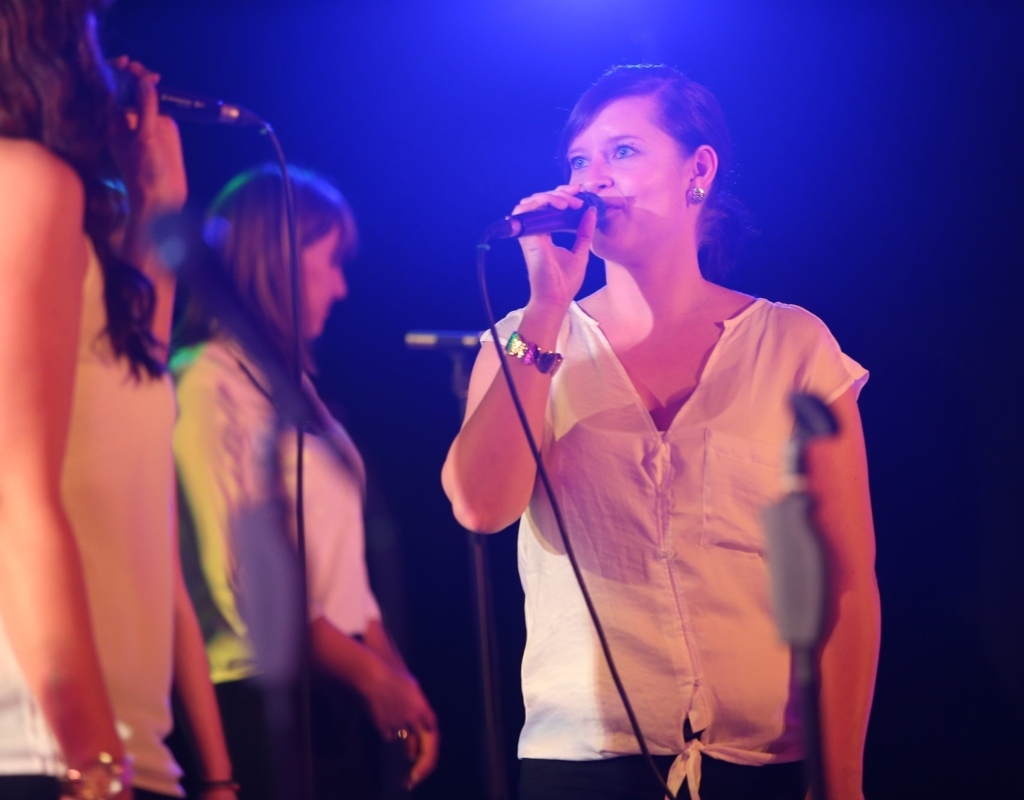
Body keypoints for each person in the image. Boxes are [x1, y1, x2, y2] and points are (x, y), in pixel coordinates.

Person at [442, 64, 880, 800]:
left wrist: (842, 784)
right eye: (578, 160)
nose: (592, 178)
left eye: (622, 151)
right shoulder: (522, 341)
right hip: (583, 769)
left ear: (697, 170)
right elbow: (481, 507)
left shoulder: (793, 345)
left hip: (764, 765)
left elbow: (847, 582)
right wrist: (547, 306)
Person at [0, 3, 237, 800]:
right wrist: (94, 758)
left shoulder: (58, 219)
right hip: (53, 747)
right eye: (90, 30)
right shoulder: (23, 186)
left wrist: (155, 193)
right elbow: (12, 496)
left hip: (121, 748)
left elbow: (131, 386)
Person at [172, 165, 439, 800]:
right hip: (260, 698)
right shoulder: (205, 383)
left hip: (336, 689)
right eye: (332, 262)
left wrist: (397, 680)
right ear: (281, 258)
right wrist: (374, 678)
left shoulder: (295, 391)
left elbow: (348, 579)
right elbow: (241, 581)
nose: (342, 287)